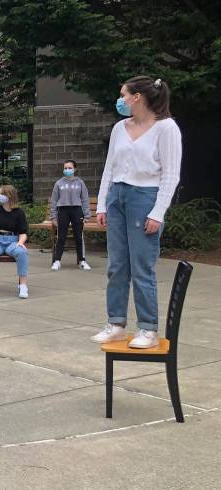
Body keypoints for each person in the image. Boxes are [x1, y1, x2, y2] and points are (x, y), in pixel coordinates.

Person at [91, 76, 182, 349]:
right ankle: (116, 322)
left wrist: (158, 212)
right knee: (116, 265)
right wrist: (102, 204)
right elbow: (109, 167)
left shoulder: (166, 128)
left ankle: (148, 328)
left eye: (123, 94)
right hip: (118, 195)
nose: (120, 100)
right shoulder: (120, 127)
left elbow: (171, 174)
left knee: (142, 267)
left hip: (145, 197)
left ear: (137, 97)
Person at [50, 159, 92, 271]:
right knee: (61, 237)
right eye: (65, 168)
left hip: (77, 210)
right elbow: (54, 201)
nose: (67, 170)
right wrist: (53, 216)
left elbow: (85, 199)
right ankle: (57, 261)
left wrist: (87, 215)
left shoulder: (80, 183)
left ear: (75, 169)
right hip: (63, 211)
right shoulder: (59, 183)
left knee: (78, 236)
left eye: (70, 168)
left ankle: (82, 261)